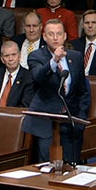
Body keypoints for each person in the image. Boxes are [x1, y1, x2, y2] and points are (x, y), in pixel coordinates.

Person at [23, 19, 91, 163]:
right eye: (51, 34)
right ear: (44, 36)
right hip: (46, 122)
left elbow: (82, 91)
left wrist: (81, 117)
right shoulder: (36, 57)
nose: (55, 38)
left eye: (59, 34)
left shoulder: (76, 57)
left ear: (65, 36)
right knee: (48, 167)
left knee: (72, 168)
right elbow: (38, 77)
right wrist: (54, 61)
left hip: (71, 122)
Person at [0, 41, 35, 107]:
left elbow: (24, 106)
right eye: (7, 56)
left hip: (12, 115)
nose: (11, 59)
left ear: (20, 56)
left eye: (14, 54)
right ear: (2, 59)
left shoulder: (28, 78)